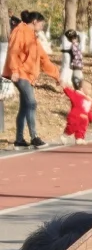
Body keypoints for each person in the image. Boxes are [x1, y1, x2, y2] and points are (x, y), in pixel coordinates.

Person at [4, 11, 59, 148]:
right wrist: (15, 71)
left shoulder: (33, 37)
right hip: (20, 74)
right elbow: (13, 51)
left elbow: (43, 59)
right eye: (42, 23)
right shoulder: (20, 30)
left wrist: (57, 76)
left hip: (28, 76)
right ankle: (34, 137)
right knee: (32, 103)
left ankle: (19, 140)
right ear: (35, 21)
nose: (42, 26)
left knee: (24, 107)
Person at [63, 78, 92, 144]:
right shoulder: (76, 95)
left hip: (84, 118)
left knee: (82, 128)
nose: (90, 90)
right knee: (72, 126)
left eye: (90, 89)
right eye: (88, 88)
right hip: (75, 115)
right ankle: (65, 135)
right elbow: (69, 92)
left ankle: (79, 138)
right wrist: (64, 86)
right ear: (82, 89)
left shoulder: (90, 100)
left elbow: (89, 110)